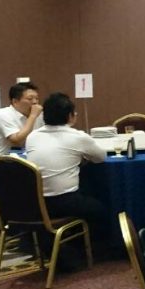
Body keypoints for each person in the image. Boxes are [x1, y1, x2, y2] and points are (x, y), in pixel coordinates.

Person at [24, 92, 111, 248]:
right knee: (101, 209)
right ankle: (94, 250)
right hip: (64, 202)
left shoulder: (32, 136)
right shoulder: (77, 137)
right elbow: (100, 157)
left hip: (35, 203)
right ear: (70, 116)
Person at [0, 81, 42, 159]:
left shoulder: (39, 115)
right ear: (15, 102)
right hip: (2, 161)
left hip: (29, 159)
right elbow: (17, 140)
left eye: (37, 98)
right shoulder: (4, 115)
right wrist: (33, 116)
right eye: (30, 99)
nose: (35, 102)